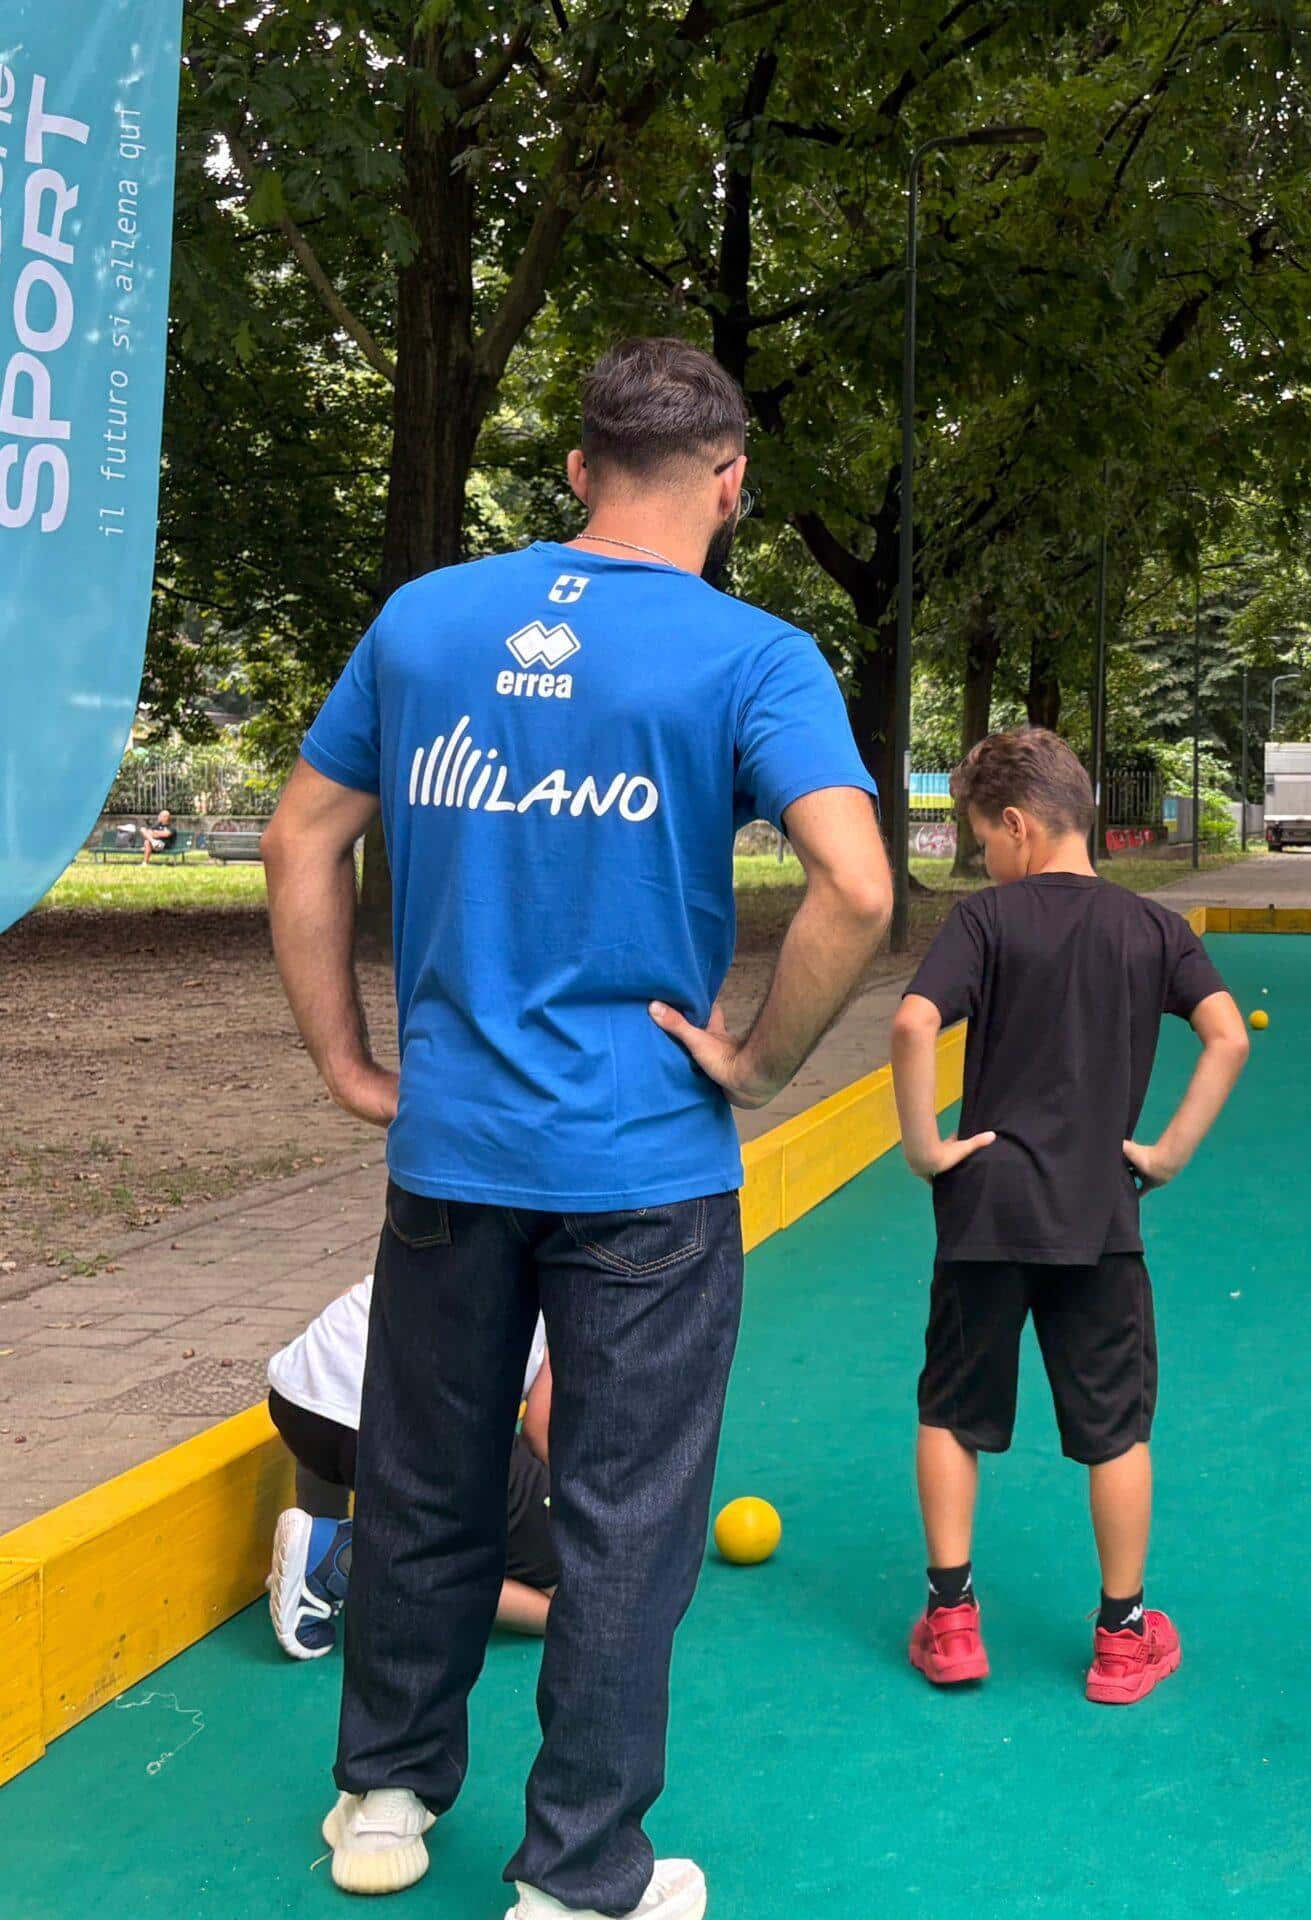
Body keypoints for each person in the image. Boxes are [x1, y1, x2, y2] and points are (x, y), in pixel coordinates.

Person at [262, 338, 893, 1920]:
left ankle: (384, 1801)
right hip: (647, 1167)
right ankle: (577, 1878)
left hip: (451, 1150)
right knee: (625, 1525)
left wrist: (345, 1059)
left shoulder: (427, 620)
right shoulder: (756, 655)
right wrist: (756, 1062)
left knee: (426, 1483)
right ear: (732, 483)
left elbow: (298, 840)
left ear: (574, 470)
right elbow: (858, 885)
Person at [892, 726, 1249, 1707]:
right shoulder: (1153, 929)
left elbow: (914, 1020)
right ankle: (1122, 1638)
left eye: (982, 840)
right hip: (1099, 1214)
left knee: (951, 1409)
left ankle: (952, 1621)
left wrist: (923, 1147)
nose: (983, 860)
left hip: (986, 1209)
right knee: (1116, 1429)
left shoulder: (984, 921)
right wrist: (1165, 1153)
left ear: (1016, 824)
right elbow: (1226, 1037)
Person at [266, 1278, 560, 1658]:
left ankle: (313, 1533)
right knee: (573, 1596)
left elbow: (348, 1307)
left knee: (352, 1400)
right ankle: (343, 1555)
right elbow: (539, 1428)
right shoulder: (581, 1282)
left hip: (297, 1402)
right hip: (413, 1433)